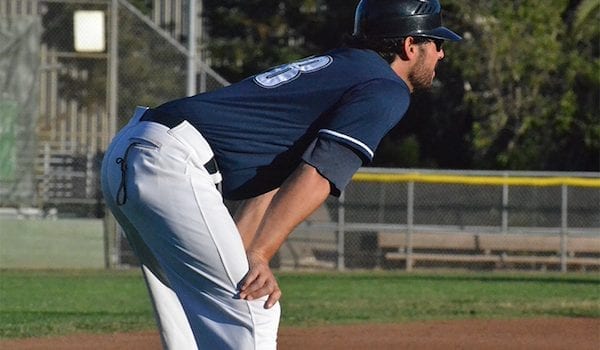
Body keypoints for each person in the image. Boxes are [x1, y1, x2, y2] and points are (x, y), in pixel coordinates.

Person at [100, 0, 461, 348]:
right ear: (410, 45)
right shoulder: (385, 88)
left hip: (134, 148)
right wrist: (260, 254)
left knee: (189, 317)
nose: (441, 54)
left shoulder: (342, 68)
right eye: (437, 42)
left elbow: (272, 175)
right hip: (170, 162)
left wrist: (247, 253)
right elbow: (318, 173)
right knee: (256, 308)